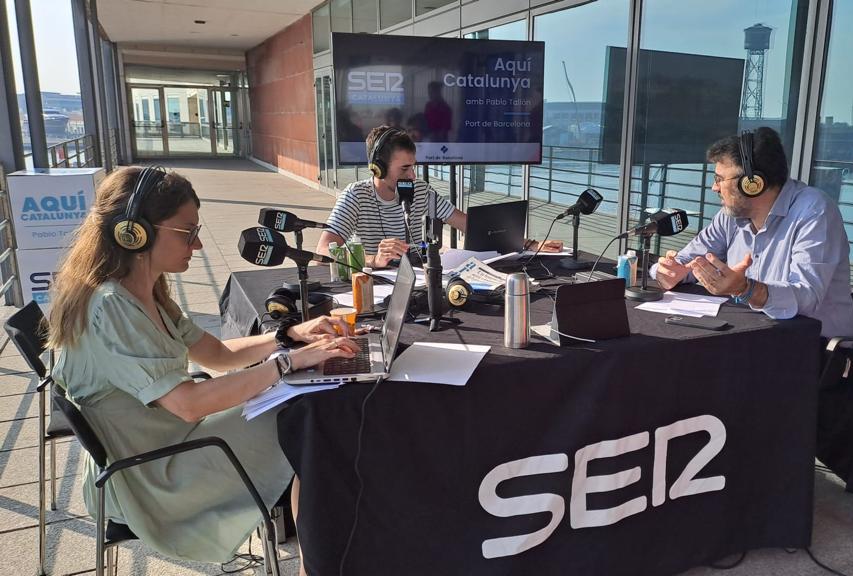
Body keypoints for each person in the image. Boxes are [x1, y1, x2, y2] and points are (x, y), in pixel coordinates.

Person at [48, 166, 360, 570]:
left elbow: (216, 354)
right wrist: (288, 363)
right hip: (154, 478)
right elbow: (188, 403)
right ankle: (317, 564)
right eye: (186, 232)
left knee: (304, 411)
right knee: (304, 419)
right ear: (135, 232)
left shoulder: (143, 291)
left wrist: (289, 336)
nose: (196, 245)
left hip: (169, 446)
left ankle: (315, 561)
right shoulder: (112, 306)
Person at [654, 127, 853, 338]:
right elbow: (687, 261)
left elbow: (806, 299)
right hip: (754, 338)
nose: (714, 188)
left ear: (752, 183)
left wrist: (746, 289)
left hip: (817, 349)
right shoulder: (729, 215)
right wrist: (669, 273)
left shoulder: (815, 211)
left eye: (719, 179)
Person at [316, 125, 560, 266]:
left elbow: (467, 224)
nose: (412, 175)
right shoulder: (356, 195)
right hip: (375, 287)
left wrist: (528, 243)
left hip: (418, 281)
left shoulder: (419, 189)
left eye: (414, 166)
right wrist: (373, 259)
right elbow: (324, 249)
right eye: (404, 168)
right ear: (377, 168)